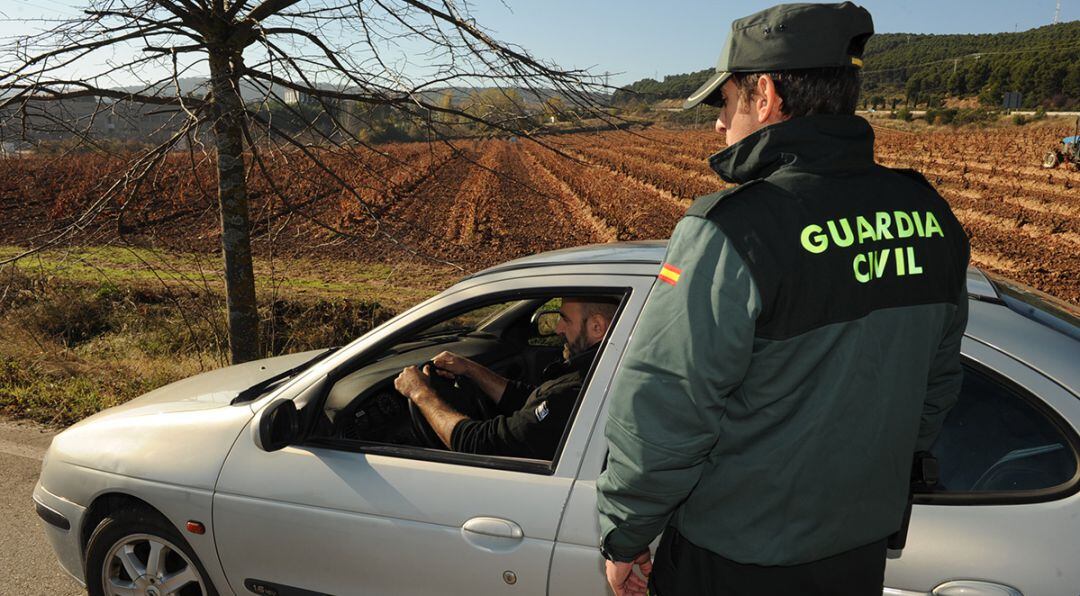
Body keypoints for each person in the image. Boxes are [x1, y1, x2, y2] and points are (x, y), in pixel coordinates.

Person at [596, 3, 970, 595]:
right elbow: (937, 387)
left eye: (724, 102)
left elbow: (668, 403)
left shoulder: (736, 229)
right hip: (855, 551)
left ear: (765, 94)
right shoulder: (930, 215)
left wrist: (626, 532)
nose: (719, 124)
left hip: (735, 559)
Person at [394, 297, 617, 460]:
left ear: (597, 327)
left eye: (564, 320)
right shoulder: (597, 371)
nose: (557, 329)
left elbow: (480, 445)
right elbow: (532, 401)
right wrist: (470, 369)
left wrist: (420, 393)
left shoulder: (574, 391)